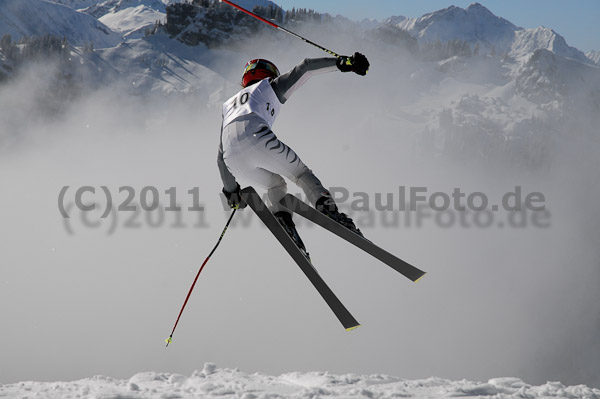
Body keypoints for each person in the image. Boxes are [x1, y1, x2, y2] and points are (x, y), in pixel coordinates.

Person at [218, 53, 370, 259]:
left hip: (232, 159)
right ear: (269, 73)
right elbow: (305, 68)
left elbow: (220, 158)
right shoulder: (268, 86)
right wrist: (344, 62)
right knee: (300, 174)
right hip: (258, 137)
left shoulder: (228, 106)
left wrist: (232, 193)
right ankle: (331, 213)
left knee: (275, 185)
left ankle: (284, 223)